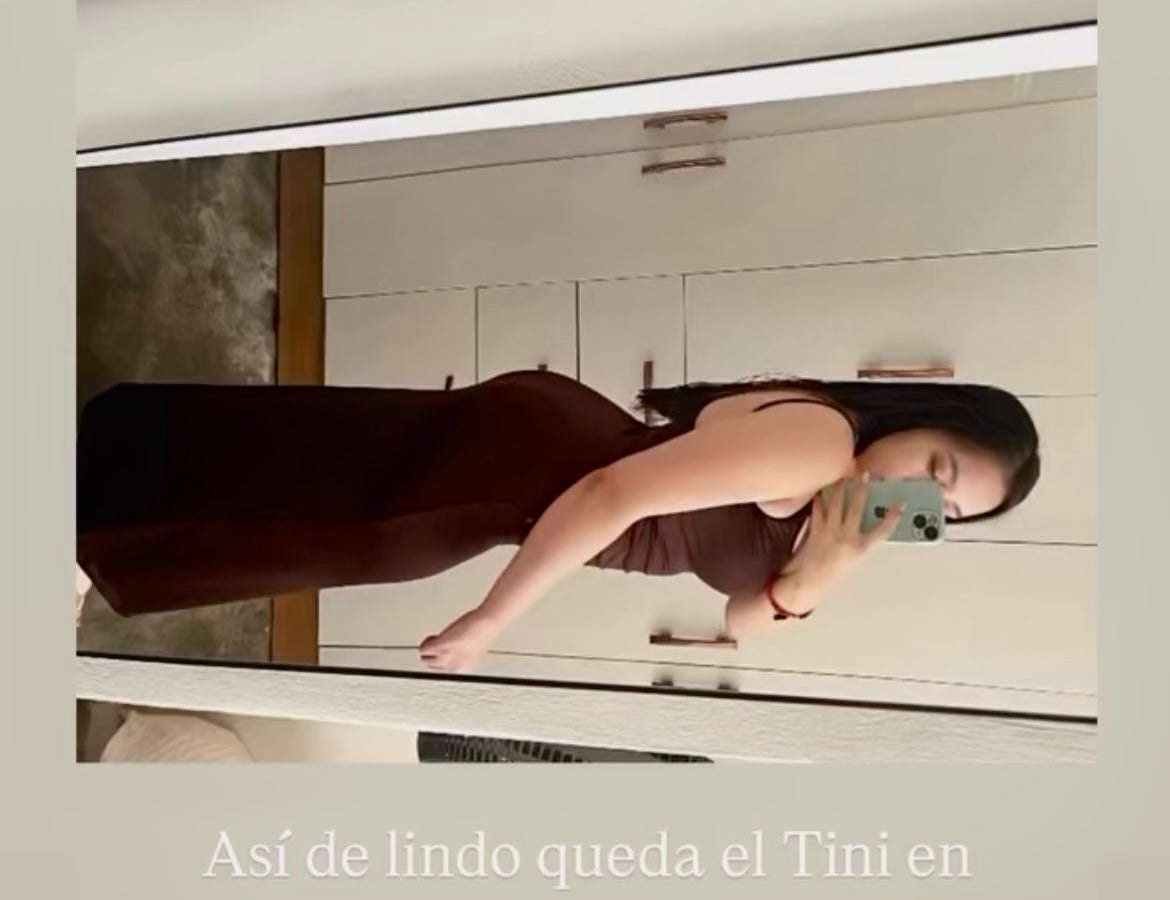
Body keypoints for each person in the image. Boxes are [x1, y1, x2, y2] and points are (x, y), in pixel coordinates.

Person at [75, 369, 1040, 672]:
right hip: (536, 478)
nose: (923, 498)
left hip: (537, 454)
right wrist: (492, 621)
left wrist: (819, 577)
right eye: (938, 467)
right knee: (347, 530)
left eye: (947, 507)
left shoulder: (841, 512)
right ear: (923, 416)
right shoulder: (822, 444)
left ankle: (111, 460)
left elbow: (741, 622)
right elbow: (613, 497)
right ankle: (87, 537)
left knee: (319, 459)